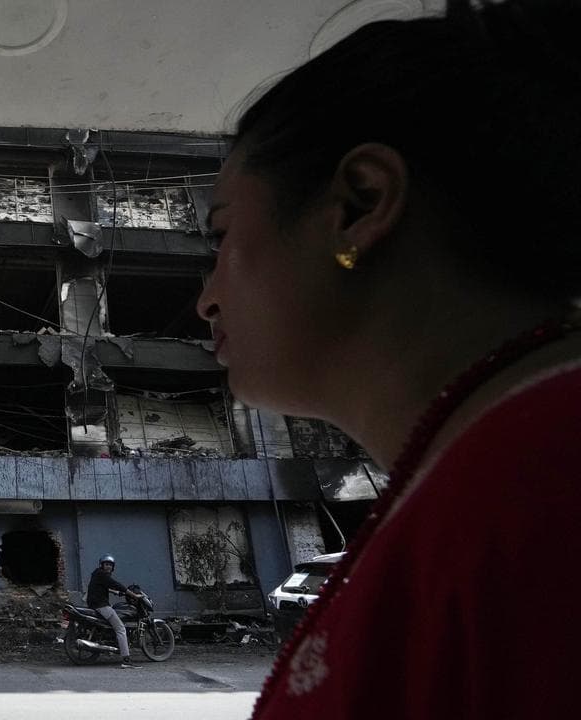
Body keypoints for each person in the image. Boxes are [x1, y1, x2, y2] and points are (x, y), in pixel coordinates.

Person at [195, 1, 581, 717]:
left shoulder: (537, 486)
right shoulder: (480, 474)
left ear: (358, 205)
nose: (205, 300)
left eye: (220, 239)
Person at [86, 555, 141, 669]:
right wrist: (134, 595)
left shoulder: (97, 574)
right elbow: (116, 584)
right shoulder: (102, 574)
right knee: (121, 628)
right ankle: (126, 660)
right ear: (102, 565)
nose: (108, 567)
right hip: (101, 605)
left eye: (110, 565)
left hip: (96, 605)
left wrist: (117, 593)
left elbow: (105, 586)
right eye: (106, 564)